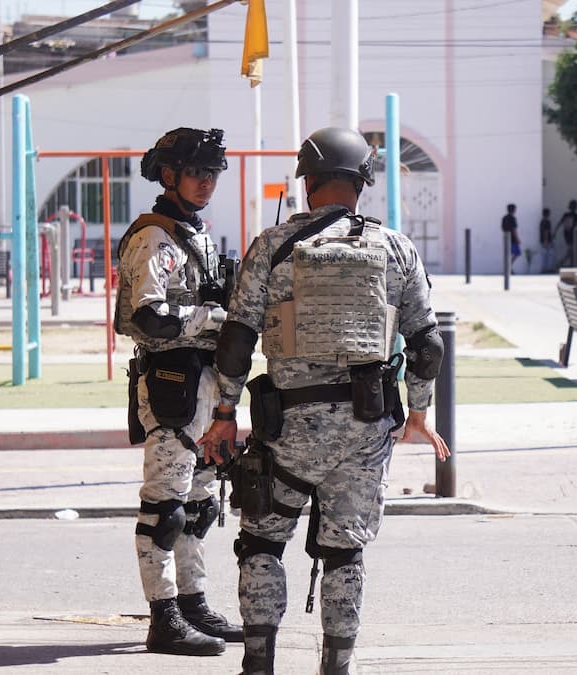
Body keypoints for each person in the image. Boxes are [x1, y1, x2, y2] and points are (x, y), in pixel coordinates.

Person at [198, 127, 450, 675]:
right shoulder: (395, 248)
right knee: (345, 553)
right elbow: (427, 345)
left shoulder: (271, 245)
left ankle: (259, 664)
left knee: (262, 543)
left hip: (286, 425)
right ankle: (337, 666)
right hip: (366, 428)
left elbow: (237, 339)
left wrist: (223, 416)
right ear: (363, 182)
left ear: (306, 182)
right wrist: (421, 415)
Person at [114, 127, 243, 656]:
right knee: (164, 507)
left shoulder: (196, 234)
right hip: (170, 381)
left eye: (213, 174)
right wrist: (215, 318)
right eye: (196, 173)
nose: (207, 183)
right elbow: (148, 317)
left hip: (206, 383)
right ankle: (163, 617)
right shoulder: (154, 237)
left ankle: (192, 603)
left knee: (200, 504)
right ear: (169, 176)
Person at [556, 199, 577, 266]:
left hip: (566, 234)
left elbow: (559, 224)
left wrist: (554, 233)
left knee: (571, 251)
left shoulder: (566, 215)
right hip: (573, 235)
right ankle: (561, 263)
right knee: (571, 251)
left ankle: (571, 264)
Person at [501, 203, 521, 271]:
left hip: (506, 238)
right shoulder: (513, 218)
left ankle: (508, 267)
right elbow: (514, 229)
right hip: (513, 239)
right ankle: (508, 267)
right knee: (517, 253)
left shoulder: (504, 218)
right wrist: (517, 239)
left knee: (508, 254)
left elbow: (502, 228)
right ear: (514, 210)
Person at [538, 207, 554, 273]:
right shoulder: (547, 221)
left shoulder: (542, 221)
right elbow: (546, 231)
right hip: (547, 241)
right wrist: (546, 240)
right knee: (549, 255)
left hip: (542, 240)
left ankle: (544, 268)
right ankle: (547, 269)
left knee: (544, 255)